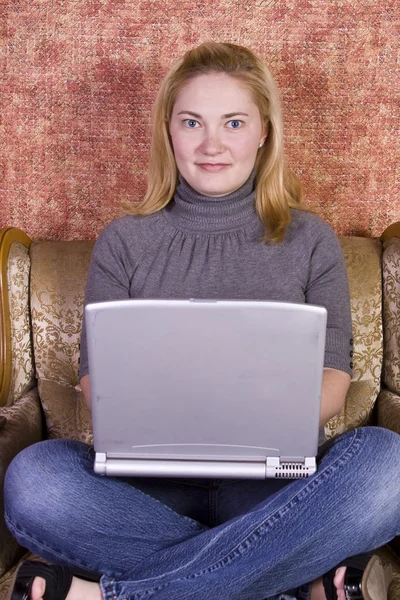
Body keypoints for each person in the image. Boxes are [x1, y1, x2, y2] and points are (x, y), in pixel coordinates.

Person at [4, 41, 399, 600]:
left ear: (264, 132)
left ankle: (110, 595)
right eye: (192, 122)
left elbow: (334, 379)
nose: (212, 144)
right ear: (169, 129)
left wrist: (248, 416)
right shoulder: (124, 241)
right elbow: (98, 385)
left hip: (276, 486)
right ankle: (289, 577)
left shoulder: (310, 239)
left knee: (389, 465)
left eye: (233, 122)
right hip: (144, 491)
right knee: (32, 480)